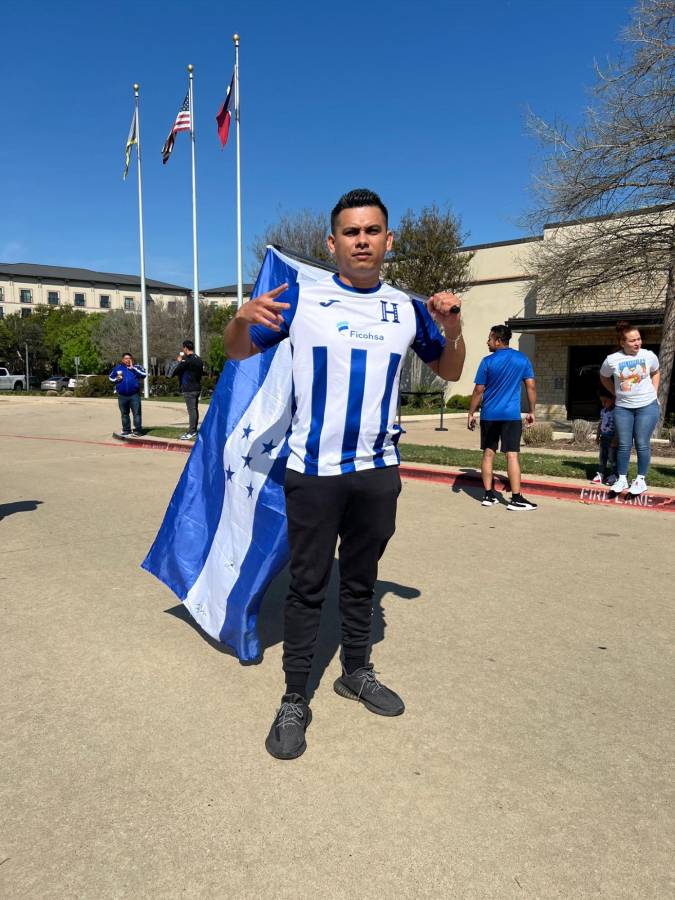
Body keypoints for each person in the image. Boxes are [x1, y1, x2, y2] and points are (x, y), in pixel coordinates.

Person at [223, 188, 466, 760]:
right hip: (314, 471)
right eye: (351, 233)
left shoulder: (408, 309)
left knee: (361, 580)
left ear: (388, 240)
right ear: (332, 243)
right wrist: (239, 321)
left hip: (378, 472)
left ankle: (355, 671)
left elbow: (450, 371)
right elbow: (236, 353)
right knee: (308, 587)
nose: (362, 240)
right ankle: (292, 698)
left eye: (372, 231)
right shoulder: (300, 298)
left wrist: (452, 327)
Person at [467, 324, 538, 511]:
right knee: (512, 455)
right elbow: (530, 387)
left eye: (490, 338)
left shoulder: (487, 361)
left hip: (489, 415)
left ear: (498, 341)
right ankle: (516, 498)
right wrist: (532, 411)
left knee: (488, 453)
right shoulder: (522, 359)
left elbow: (478, 389)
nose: (487, 342)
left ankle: (488, 495)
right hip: (510, 416)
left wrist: (471, 413)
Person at [599, 321, 660, 495]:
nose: (637, 343)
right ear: (622, 342)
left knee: (641, 443)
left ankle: (640, 480)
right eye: (632, 340)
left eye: (639, 339)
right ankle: (622, 479)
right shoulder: (612, 360)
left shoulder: (648, 355)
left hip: (647, 406)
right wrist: (615, 393)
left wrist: (654, 393)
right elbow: (604, 377)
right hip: (623, 408)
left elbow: (656, 372)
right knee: (624, 444)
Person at [172, 339, 204, 440]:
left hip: (189, 388)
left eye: (183, 347)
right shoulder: (198, 359)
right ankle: (193, 429)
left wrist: (179, 361)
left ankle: (192, 431)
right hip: (197, 386)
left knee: (191, 410)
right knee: (194, 409)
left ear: (185, 348)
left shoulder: (187, 360)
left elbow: (176, 371)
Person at [108, 353, 146, 436]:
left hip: (134, 395)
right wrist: (116, 379)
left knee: (137, 413)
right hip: (122, 395)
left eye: (129, 358)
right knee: (124, 413)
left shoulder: (137, 367)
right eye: (126, 358)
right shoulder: (118, 368)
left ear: (132, 359)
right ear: (122, 360)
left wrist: (133, 369)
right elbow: (110, 377)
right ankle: (126, 429)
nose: (128, 360)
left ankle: (138, 430)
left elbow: (144, 375)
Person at [592, 389, 617, 486]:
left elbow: (619, 427)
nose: (603, 403)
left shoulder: (617, 412)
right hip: (604, 438)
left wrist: (616, 438)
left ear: (613, 399)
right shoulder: (603, 411)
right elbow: (600, 424)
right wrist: (597, 436)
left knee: (613, 459)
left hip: (613, 439)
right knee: (602, 458)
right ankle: (600, 474)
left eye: (605, 401)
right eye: (602, 401)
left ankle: (613, 475)